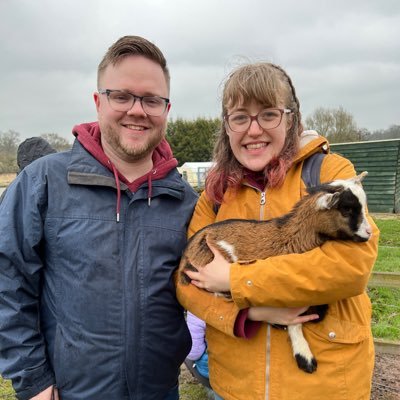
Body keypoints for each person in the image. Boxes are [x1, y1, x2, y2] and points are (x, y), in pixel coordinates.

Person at [0, 35, 197, 400]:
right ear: (98, 102)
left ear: (165, 109)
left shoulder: (185, 201)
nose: (137, 110)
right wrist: (33, 380)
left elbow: (206, 290)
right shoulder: (43, 182)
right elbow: (8, 280)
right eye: (121, 96)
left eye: (151, 99)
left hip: (160, 392)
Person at [176, 62, 379, 400]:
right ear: (227, 127)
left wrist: (237, 282)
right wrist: (250, 312)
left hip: (324, 388)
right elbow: (187, 283)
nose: (253, 130)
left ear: (291, 117)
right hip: (235, 387)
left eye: (268, 114)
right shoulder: (215, 195)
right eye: (240, 117)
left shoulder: (330, 172)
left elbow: (350, 268)